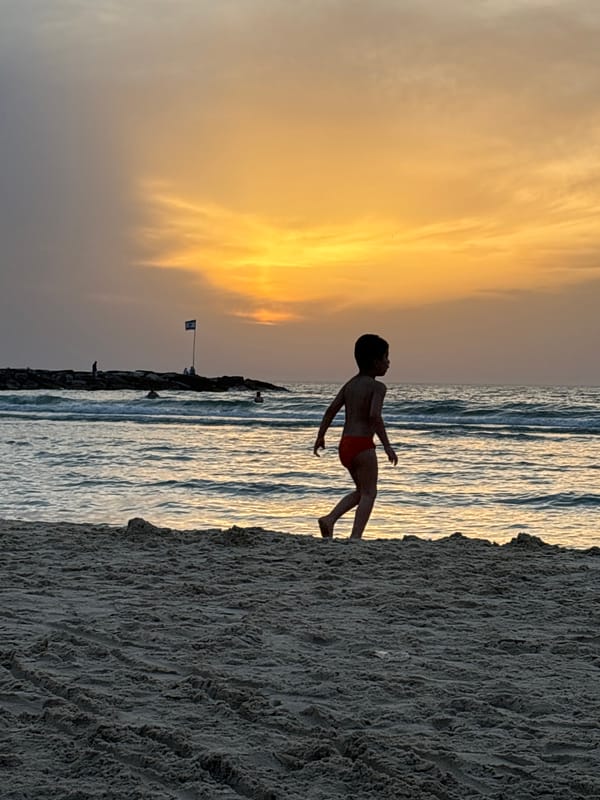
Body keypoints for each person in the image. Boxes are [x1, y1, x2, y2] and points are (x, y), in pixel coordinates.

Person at [313, 333, 398, 539]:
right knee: (370, 493)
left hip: (345, 446)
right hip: (362, 445)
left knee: (361, 491)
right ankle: (356, 537)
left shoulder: (350, 384)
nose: (389, 363)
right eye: (386, 358)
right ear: (375, 361)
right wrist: (387, 445)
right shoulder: (378, 387)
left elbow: (331, 410)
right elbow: (374, 416)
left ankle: (330, 519)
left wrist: (320, 436)